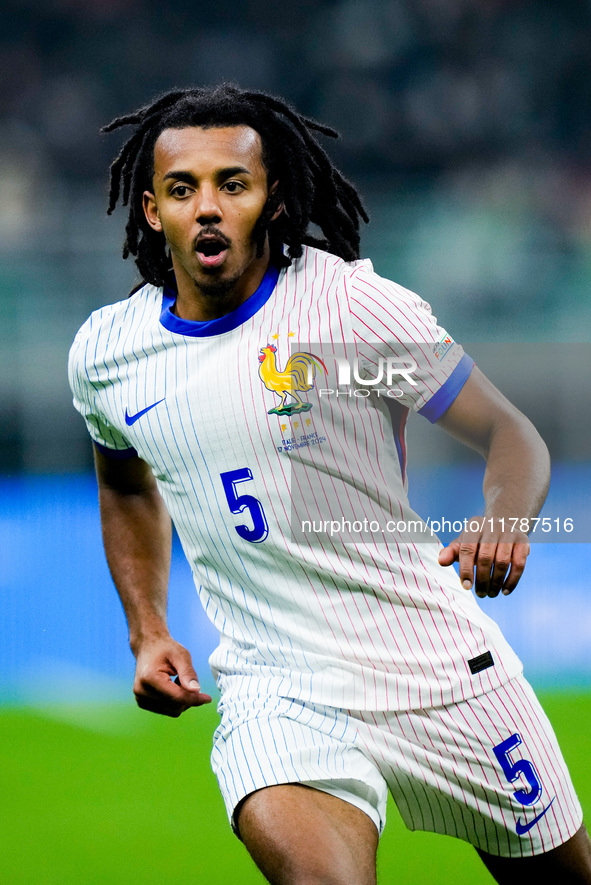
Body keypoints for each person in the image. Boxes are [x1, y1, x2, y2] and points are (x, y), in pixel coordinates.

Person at [68, 84, 591, 884]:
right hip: (277, 685)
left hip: (437, 668)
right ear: (150, 210)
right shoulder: (109, 354)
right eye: (183, 189)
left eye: (231, 184)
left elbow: (505, 433)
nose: (207, 207)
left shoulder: (348, 311)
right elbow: (128, 485)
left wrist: (505, 517)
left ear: (271, 198)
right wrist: (147, 627)